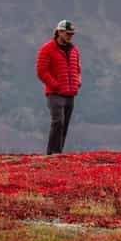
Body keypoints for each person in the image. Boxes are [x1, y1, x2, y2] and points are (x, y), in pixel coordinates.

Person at [36, 20, 81, 155]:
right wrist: (55, 85)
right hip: (55, 93)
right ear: (59, 32)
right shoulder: (47, 49)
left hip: (70, 93)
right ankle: (52, 153)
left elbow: (78, 69)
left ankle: (58, 153)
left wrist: (78, 82)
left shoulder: (74, 50)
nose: (70, 36)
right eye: (67, 33)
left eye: (71, 34)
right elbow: (41, 71)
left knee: (65, 123)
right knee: (58, 121)